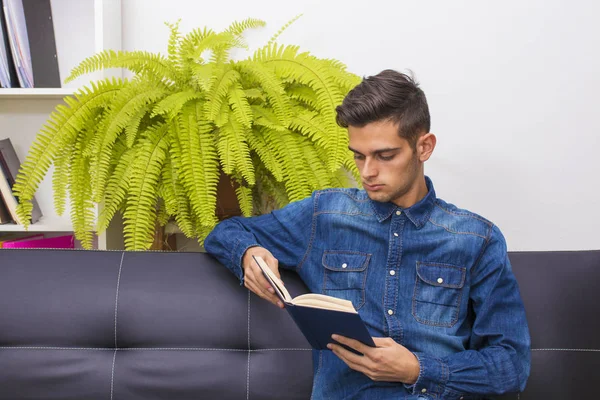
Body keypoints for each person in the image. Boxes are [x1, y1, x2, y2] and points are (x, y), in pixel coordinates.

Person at [204, 69, 531, 399]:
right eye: (358, 156)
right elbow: (228, 231)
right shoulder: (324, 215)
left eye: (385, 156)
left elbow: (511, 365)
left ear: (424, 147)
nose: (367, 172)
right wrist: (248, 253)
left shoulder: (477, 239)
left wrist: (418, 369)